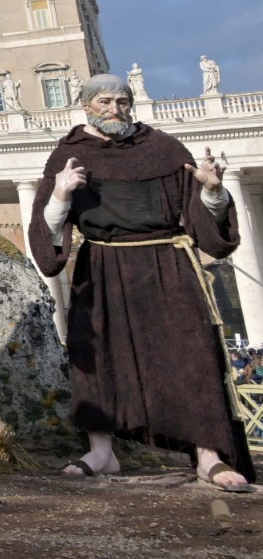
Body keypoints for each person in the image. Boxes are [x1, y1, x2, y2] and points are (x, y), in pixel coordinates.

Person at [28, 74, 252, 489]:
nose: (115, 110)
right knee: (97, 357)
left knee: (191, 355)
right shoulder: (69, 154)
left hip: (167, 263)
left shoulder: (164, 149)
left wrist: (214, 193)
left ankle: (207, 455)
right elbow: (47, 238)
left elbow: (209, 230)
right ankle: (102, 450)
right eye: (105, 102)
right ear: (86, 106)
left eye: (123, 101)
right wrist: (61, 195)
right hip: (100, 267)